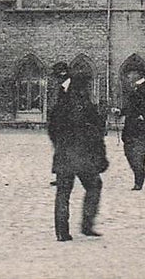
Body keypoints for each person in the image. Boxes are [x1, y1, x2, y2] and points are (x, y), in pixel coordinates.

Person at [49, 69, 107, 241]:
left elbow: (52, 127)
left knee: (63, 192)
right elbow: (94, 131)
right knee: (94, 186)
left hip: (64, 153)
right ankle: (87, 224)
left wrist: (59, 145)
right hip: (83, 155)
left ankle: (62, 231)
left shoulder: (61, 99)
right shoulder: (83, 103)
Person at [118, 68, 145, 190]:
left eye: (130, 73)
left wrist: (144, 117)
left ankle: (138, 182)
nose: (128, 76)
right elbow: (131, 107)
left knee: (140, 153)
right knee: (128, 151)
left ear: (137, 74)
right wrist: (120, 111)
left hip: (142, 127)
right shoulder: (134, 88)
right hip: (131, 127)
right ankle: (140, 171)